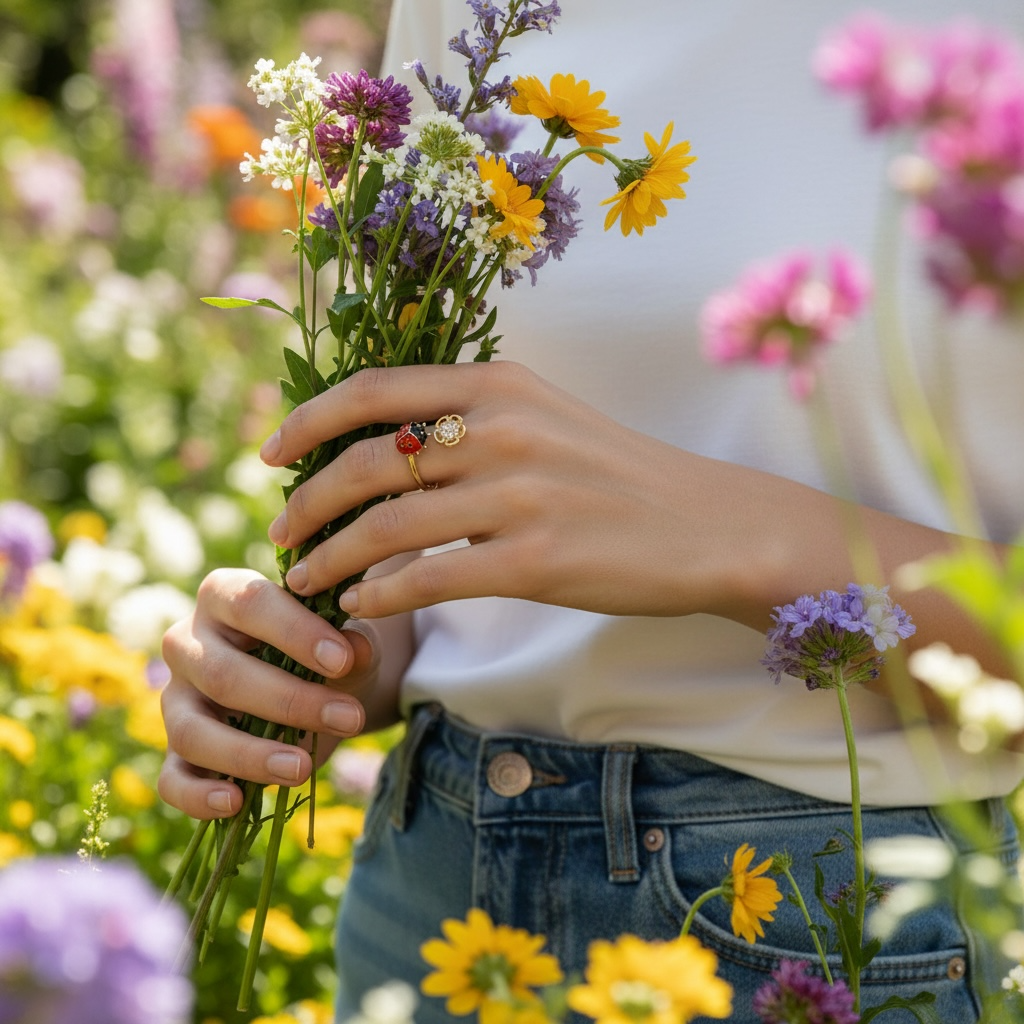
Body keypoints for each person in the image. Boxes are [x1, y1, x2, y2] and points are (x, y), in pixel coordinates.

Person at [158, 1, 1024, 1020]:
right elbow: (433, 450)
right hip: (433, 870)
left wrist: (742, 543)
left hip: (821, 917)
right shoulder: (475, 20)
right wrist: (337, 651)